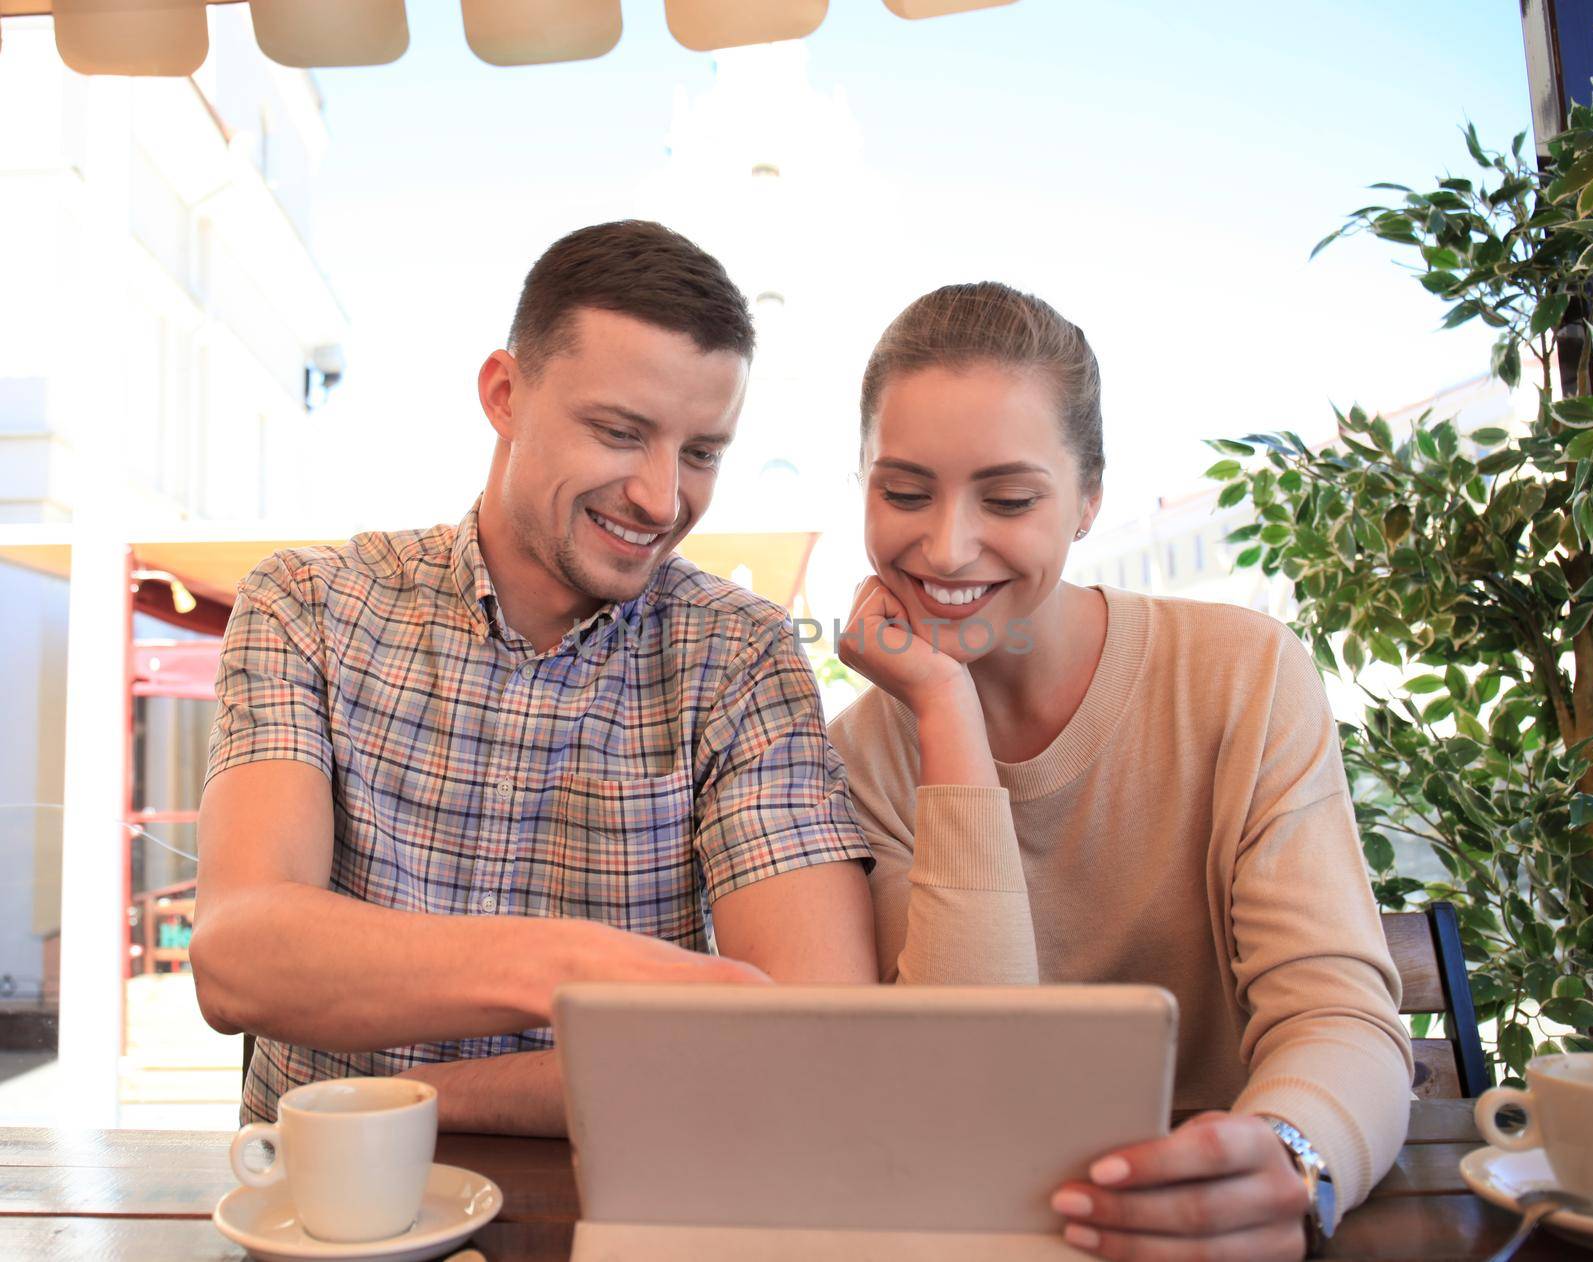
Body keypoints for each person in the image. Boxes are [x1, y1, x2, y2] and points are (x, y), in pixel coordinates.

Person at [191, 221, 877, 1134]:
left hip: (599, 1210)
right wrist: (575, 973)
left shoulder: (739, 653)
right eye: (619, 432)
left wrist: (410, 1111)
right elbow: (238, 956)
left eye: (702, 451)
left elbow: (808, 1036)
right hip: (326, 1220)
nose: (663, 497)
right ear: (505, 394)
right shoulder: (308, 603)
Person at [828, 282, 1411, 1260]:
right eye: (903, 491)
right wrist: (944, 707)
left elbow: (1336, 1007)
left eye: (1009, 497)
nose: (945, 544)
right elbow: (972, 1072)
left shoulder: (1241, 674)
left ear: (1089, 497)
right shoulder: (862, 753)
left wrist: (1289, 1153)